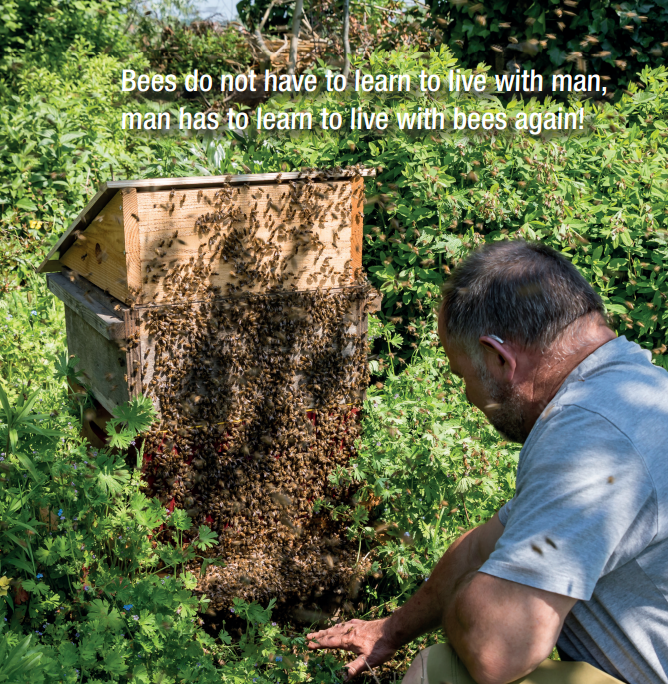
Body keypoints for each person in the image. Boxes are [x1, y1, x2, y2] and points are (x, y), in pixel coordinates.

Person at [306, 240, 668, 684]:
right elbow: (485, 545)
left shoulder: (592, 435)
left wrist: (474, 596)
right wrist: (389, 631)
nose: (466, 396)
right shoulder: (630, 389)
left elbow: (499, 650)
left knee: (441, 673)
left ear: (499, 358)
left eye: (463, 376)